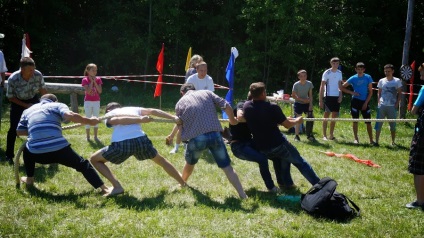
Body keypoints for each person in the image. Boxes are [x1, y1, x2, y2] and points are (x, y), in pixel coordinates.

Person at [16, 94, 109, 194]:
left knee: (27, 149)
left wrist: (37, 131)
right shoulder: (57, 105)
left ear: (40, 100)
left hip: (37, 154)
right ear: (55, 100)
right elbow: (70, 116)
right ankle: (104, 188)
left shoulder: (28, 110)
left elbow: (19, 131)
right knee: (82, 164)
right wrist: (90, 121)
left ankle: (29, 180)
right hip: (59, 151)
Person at [89, 102, 186, 196]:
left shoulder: (109, 113)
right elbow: (152, 111)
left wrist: (140, 119)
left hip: (122, 144)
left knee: (94, 159)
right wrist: (173, 117)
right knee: (161, 160)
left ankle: (117, 187)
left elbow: (116, 120)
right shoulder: (132, 109)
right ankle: (183, 183)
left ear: (108, 110)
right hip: (141, 141)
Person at [175, 83, 247, 199]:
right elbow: (226, 105)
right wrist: (232, 120)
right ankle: (242, 194)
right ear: (195, 89)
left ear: (182, 93)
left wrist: (182, 139)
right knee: (227, 167)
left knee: (190, 163)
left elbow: (180, 125)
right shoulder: (207, 93)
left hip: (197, 138)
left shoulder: (179, 103)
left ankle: (182, 183)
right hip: (215, 135)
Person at [243, 82, 320, 188]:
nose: (266, 93)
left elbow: (265, 120)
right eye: (265, 92)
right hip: (277, 144)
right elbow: (287, 126)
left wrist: (283, 119)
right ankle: (320, 185)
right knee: (300, 162)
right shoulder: (272, 107)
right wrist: (298, 120)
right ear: (262, 94)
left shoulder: (246, 106)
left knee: (281, 159)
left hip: (261, 147)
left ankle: (284, 183)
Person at [229, 94, 280, 193]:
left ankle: (283, 183)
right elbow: (240, 117)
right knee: (262, 159)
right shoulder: (242, 105)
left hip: (250, 142)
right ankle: (271, 188)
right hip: (239, 146)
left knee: (277, 155)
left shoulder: (254, 109)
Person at [6, 57, 47, 165]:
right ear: (22, 69)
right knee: (14, 129)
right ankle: (9, 155)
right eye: (30, 70)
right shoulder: (13, 78)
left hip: (33, 99)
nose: (32, 72)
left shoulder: (38, 75)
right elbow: (10, 97)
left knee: (39, 126)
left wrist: (47, 104)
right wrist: (26, 105)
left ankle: (41, 153)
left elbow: (43, 90)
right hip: (17, 102)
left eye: (33, 69)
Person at [166, 54, 204, 153]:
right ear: (195, 62)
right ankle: (175, 144)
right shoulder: (193, 71)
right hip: (191, 99)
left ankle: (171, 137)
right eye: (199, 62)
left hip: (188, 97)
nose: (201, 64)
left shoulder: (190, 70)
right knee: (182, 123)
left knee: (181, 121)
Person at [340, 62, 375, 145]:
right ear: (355, 69)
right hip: (355, 101)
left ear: (364, 70)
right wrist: (352, 92)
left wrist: (366, 103)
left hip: (365, 101)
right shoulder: (353, 78)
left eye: (361, 69)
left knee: (368, 122)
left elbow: (370, 92)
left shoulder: (368, 77)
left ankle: (371, 140)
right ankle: (356, 139)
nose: (360, 71)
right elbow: (342, 87)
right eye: (358, 69)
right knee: (355, 120)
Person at [407, 63, 424, 209]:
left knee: (418, 168)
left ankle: (420, 201)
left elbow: (413, 110)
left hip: (423, 136)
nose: (420, 75)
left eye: (421, 73)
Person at [374, 64, 402, 146]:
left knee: (392, 125)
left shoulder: (397, 81)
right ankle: (376, 141)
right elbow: (378, 93)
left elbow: (400, 93)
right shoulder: (381, 81)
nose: (387, 73)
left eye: (389, 71)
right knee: (378, 124)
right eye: (385, 71)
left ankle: (393, 142)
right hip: (382, 106)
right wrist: (379, 102)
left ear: (393, 71)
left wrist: (397, 103)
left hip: (392, 106)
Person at [319, 57, 343, 141]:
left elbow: (340, 85)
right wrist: (320, 100)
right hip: (328, 96)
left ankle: (331, 134)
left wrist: (340, 95)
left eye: (337, 63)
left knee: (334, 116)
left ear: (339, 64)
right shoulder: (327, 72)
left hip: (336, 96)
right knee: (326, 115)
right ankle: (324, 135)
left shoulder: (339, 73)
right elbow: (322, 86)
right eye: (334, 63)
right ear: (331, 63)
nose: (335, 65)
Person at [291, 69, 315, 142]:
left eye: (304, 76)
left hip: (307, 103)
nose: (303, 77)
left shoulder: (309, 84)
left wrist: (310, 104)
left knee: (311, 118)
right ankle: (297, 136)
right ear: (299, 77)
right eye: (301, 76)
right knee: (298, 119)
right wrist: (302, 100)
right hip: (298, 103)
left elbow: (310, 95)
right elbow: (293, 95)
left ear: (306, 76)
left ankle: (309, 135)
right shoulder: (296, 84)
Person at [81, 63, 102, 142]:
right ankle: (88, 137)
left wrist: (95, 82)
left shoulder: (98, 79)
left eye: (96, 70)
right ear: (88, 71)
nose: (95, 72)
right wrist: (92, 82)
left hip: (96, 101)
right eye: (93, 70)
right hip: (88, 101)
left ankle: (96, 137)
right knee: (88, 118)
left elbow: (100, 91)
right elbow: (88, 90)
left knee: (96, 118)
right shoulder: (85, 80)